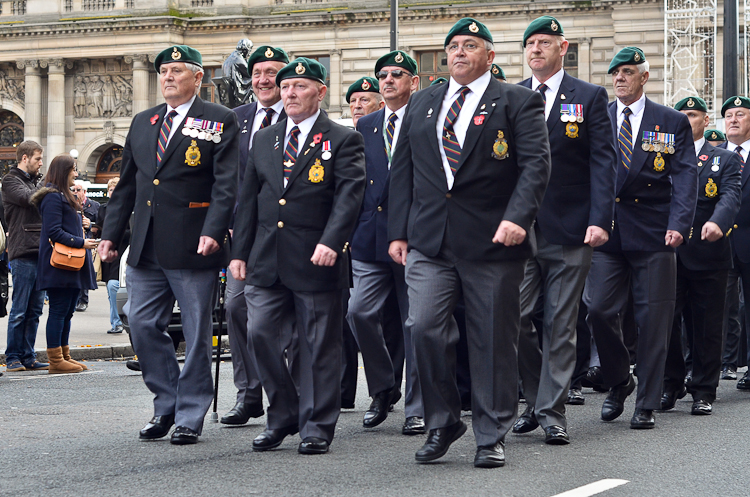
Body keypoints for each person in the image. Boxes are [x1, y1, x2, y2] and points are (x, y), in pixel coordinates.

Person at [389, 18, 551, 467]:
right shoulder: (422, 103)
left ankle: (490, 432)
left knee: (493, 340)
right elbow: (402, 172)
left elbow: (536, 166)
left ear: (490, 56)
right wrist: (398, 232)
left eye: (470, 45)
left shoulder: (517, 101)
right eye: (453, 46)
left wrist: (518, 218)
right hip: (430, 241)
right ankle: (444, 420)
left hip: (493, 242)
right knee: (421, 326)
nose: (459, 52)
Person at [99, 45, 239, 445]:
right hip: (145, 245)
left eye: (177, 70)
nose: (169, 77)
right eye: (164, 71)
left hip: (194, 243)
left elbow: (226, 183)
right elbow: (126, 186)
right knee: (141, 323)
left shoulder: (218, 119)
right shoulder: (144, 121)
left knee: (196, 332)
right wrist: (110, 235)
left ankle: (189, 414)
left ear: (198, 77)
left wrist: (215, 229)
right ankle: (166, 402)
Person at [230, 57, 365, 455]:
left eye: (300, 87)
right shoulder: (265, 139)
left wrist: (332, 240)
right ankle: (284, 412)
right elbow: (251, 201)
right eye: (286, 87)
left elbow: (349, 196)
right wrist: (240, 253)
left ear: (320, 92)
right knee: (259, 334)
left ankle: (317, 425)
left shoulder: (342, 139)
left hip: (317, 258)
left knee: (320, 346)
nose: (289, 93)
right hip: (266, 259)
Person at [512, 16, 617, 445]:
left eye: (544, 42)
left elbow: (603, 162)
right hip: (519, 229)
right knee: (513, 317)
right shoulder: (513, 96)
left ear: (563, 48)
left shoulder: (589, 96)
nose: (536, 49)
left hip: (571, 227)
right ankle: (536, 398)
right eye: (530, 43)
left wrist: (599, 219)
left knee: (560, 322)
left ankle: (552, 411)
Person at [584, 47, 697, 429]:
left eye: (627, 72)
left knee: (654, 321)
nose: (619, 78)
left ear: (644, 77)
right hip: (607, 232)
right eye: (615, 72)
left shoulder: (670, 121)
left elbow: (684, 177)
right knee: (599, 309)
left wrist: (680, 224)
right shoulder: (597, 118)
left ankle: (645, 403)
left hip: (654, 234)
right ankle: (619, 380)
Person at [347, 52, 425, 435]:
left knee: (416, 325)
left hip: (416, 239)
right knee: (359, 312)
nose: (389, 80)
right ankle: (382, 389)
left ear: (414, 81)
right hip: (371, 238)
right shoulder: (367, 125)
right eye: (383, 75)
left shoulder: (427, 119)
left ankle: (418, 407)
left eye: (397, 74)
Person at [660, 96, 741, 415]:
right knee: (664, 323)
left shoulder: (722, 158)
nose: (684, 119)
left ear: (706, 121)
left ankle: (704, 389)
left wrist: (717, 223)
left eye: (691, 114)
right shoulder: (662, 157)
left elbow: (730, 196)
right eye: (679, 114)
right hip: (669, 253)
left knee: (707, 325)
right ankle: (671, 382)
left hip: (709, 253)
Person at [221, 45, 288, 426]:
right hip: (245, 237)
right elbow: (226, 179)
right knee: (236, 307)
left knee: (289, 319)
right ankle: (248, 394)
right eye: (257, 73)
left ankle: (290, 393)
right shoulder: (236, 119)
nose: (262, 80)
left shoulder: (301, 117)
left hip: (290, 235)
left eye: (271, 73)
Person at [31, 154, 98, 374]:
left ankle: (64, 355)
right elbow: (53, 231)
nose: (76, 174)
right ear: (64, 171)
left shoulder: (62, 195)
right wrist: (82, 242)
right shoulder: (52, 197)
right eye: (74, 170)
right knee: (59, 311)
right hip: (59, 263)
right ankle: (55, 360)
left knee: (68, 311)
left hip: (70, 262)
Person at [2, 140, 48, 373]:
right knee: (20, 309)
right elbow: (28, 199)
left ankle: (28, 356)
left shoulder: (35, 182)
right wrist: (49, 185)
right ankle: (12, 357)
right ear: (24, 158)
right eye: (38, 159)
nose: (41, 163)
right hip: (22, 251)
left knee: (35, 309)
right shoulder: (11, 180)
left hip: (40, 251)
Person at [718, 96, 750, 391]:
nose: (733, 119)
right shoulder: (715, 156)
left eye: (740, 114)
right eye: (729, 115)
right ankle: (718, 362)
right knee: (718, 305)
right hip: (721, 245)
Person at [96, 177, 128, 334]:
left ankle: (118, 322)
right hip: (109, 255)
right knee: (111, 289)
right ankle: (116, 323)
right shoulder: (103, 209)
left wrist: (116, 234)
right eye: (110, 189)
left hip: (123, 253)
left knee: (113, 286)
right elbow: (99, 228)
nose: (112, 192)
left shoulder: (129, 207)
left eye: (115, 189)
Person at [72, 179, 100, 312]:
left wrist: (90, 225)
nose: (76, 192)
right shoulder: (69, 203)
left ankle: (83, 299)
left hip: (87, 242)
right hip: (73, 240)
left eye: (78, 190)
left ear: (85, 192)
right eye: (74, 190)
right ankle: (75, 299)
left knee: (84, 270)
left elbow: (100, 225)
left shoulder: (94, 206)